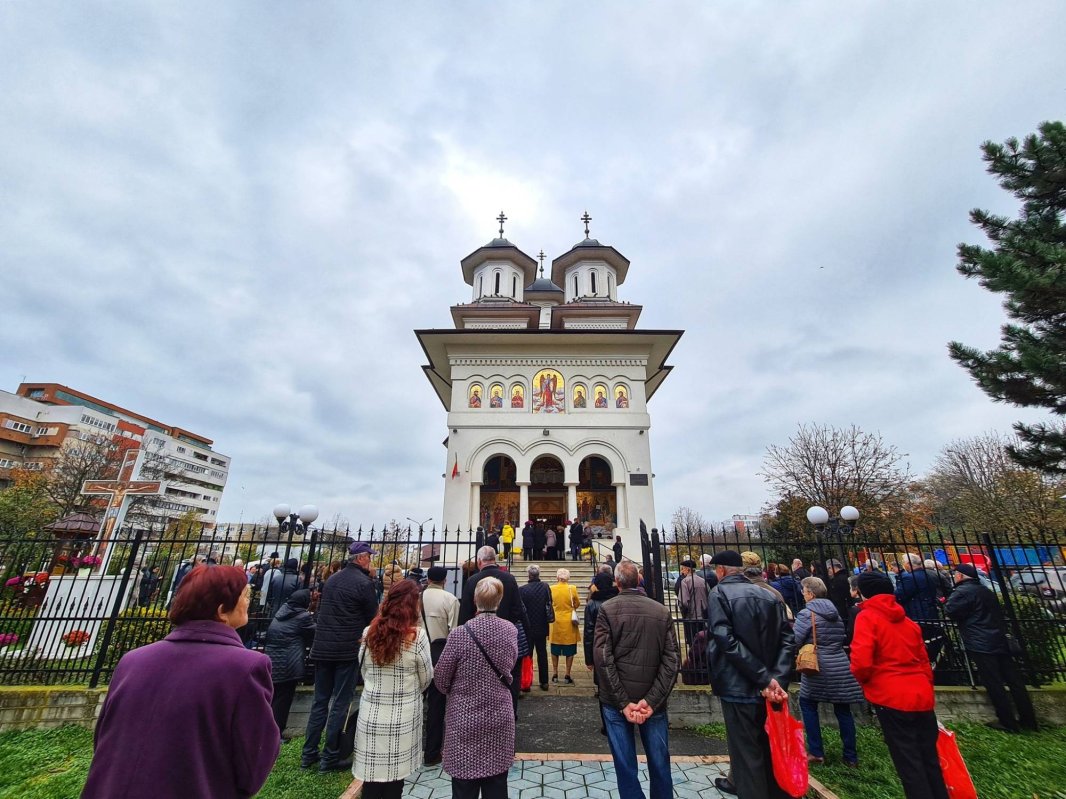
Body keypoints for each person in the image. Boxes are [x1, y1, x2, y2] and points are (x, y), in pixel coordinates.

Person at [82, 566, 279, 798]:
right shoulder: (245, 667)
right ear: (222, 610)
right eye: (245, 596)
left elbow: (104, 739)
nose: (249, 602)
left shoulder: (132, 660)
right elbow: (252, 764)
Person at [850, 572, 948, 799]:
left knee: (908, 762)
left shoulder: (867, 617)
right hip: (921, 696)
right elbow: (924, 661)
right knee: (929, 759)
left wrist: (867, 682)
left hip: (890, 696)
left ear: (864, 592)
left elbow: (861, 662)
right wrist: (925, 686)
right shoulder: (909, 622)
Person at [706, 550, 794, 799]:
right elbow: (788, 639)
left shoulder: (720, 593)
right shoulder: (770, 595)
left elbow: (725, 639)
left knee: (747, 756)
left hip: (738, 687)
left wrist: (764, 678)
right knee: (772, 750)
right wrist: (777, 679)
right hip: (770, 690)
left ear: (721, 570)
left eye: (716, 570)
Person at [593, 561, 679, 799]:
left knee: (625, 765)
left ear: (617, 582)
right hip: (652, 700)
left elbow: (602, 658)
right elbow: (672, 660)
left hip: (617, 701)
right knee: (660, 761)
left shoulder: (608, 610)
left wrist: (622, 701)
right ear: (639, 580)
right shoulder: (660, 611)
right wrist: (652, 701)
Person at [435, 577, 518, 799]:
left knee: (464, 787)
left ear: (474, 600)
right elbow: (510, 664)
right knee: (497, 784)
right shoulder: (510, 630)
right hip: (498, 715)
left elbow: (441, 678)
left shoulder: (459, 634)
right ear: (499, 600)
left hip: (464, 718)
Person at [303, 541, 379, 772]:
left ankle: (308, 755)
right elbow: (373, 618)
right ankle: (331, 756)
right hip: (346, 649)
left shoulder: (332, 580)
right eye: (370, 556)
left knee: (319, 702)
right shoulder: (364, 584)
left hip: (323, 649)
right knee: (340, 703)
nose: (371, 560)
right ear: (362, 558)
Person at [353, 579, 433, 798]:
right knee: (394, 783)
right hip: (403, 714)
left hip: (372, 712)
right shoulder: (416, 637)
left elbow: (364, 670)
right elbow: (426, 676)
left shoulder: (370, 631)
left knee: (372, 780)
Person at [945, 563, 1037, 732]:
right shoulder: (986, 590)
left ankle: (1007, 722)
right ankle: (1029, 720)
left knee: (994, 682)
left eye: (955, 574)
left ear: (960, 576)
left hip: (981, 642)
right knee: (1015, 681)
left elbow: (950, 611)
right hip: (1000, 639)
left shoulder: (962, 592)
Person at [793, 577, 863, 767]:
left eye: (804, 590)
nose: (802, 593)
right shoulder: (835, 613)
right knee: (843, 710)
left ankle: (816, 752)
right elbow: (842, 636)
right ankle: (850, 756)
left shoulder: (807, 614)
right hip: (840, 664)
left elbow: (796, 639)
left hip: (818, 666)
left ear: (811, 593)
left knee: (807, 704)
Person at [458, 546, 530, 716]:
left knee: (482, 676)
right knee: (509, 676)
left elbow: (465, 613)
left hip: (478, 636)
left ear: (479, 561)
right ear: (495, 559)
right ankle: (509, 712)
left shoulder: (472, 580)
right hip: (505, 636)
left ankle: (482, 711)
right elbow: (518, 610)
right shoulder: (509, 579)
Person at [265, 587, 316, 738]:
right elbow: (314, 632)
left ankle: (268, 730)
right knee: (283, 700)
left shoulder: (280, 613)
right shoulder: (303, 617)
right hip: (289, 663)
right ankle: (277, 733)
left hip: (273, 660)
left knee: (274, 697)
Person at [421, 565, 460, 764]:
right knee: (436, 707)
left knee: (414, 703)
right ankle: (432, 751)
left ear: (428, 579)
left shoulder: (417, 598)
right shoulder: (450, 600)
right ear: (445, 580)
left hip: (417, 655)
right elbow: (454, 633)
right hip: (439, 657)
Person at [895, 553, 944, 663]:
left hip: (916, 615)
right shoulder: (927, 575)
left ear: (908, 564)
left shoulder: (911, 578)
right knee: (931, 643)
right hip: (930, 614)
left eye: (904, 563)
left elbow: (899, 595)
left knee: (920, 645)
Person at [519, 564, 554, 691]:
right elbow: (550, 602)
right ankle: (544, 682)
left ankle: (526, 682)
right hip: (542, 625)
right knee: (542, 653)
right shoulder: (545, 587)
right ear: (538, 574)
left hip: (527, 627)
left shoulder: (522, 589)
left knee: (527, 655)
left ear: (529, 575)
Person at [548, 567, 581, 684]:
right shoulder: (572, 588)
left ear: (557, 577)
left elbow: (549, 603)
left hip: (555, 620)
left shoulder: (551, 588)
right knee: (570, 649)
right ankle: (567, 674)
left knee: (554, 648)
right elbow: (577, 603)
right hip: (569, 621)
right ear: (568, 577)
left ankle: (555, 673)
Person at [677, 559, 709, 646]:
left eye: (683, 569)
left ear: (688, 570)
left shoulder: (685, 581)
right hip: (703, 616)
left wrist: (684, 613)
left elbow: (683, 602)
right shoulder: (703, 581)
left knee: (693, 644)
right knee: (703, 643)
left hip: (691, 617)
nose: (682, 571)